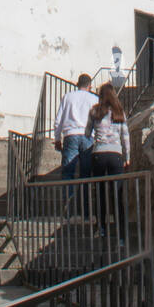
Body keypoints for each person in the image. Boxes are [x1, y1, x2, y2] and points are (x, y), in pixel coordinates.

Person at [85, 84, 130, 241]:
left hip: (99, 154)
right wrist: (127, 157)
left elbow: (87, 133)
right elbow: (125, 137)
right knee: (117, 194)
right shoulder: (119, 112)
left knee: (100, 192)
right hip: (116, 155)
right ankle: (121, 236)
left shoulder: (95, 111)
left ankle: (102, 228)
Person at [53, 74, 95, 212]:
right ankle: (86, 208)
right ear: (89, 85)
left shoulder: (68, 97)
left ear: (77, 84)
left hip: (70, 135)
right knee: (86, 173)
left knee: (68, 172)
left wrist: (58, 139)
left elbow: (58, 121)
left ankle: (68, 208)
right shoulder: (94, 99)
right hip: (88, 137)